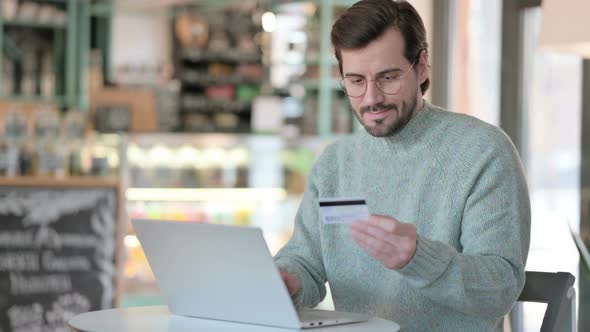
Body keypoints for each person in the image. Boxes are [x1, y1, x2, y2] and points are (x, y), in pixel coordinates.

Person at [273, 0, 531, 331]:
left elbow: (499, 288)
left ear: (421, 65)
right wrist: (285, 281)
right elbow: (305, 263)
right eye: (355, 81)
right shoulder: (334, 164)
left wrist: (417, 259)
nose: (371, 98)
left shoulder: (483, 152)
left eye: (388, 77)